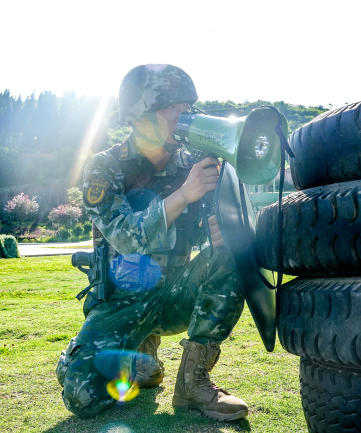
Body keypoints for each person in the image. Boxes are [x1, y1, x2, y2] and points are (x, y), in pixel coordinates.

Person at [56, 64, 248, 422]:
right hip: (121, 302)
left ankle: (193, 383)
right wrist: (184, 194)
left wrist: (224, 227)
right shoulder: (105, 167)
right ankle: (127, 357)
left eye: (187, 107)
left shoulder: (195, 163)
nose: (184, 116)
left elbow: (213, 234)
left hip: (174, 294)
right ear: (139, 117)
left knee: (232, 256)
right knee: (82, 397)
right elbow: (125, 237)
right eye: (172, 108)